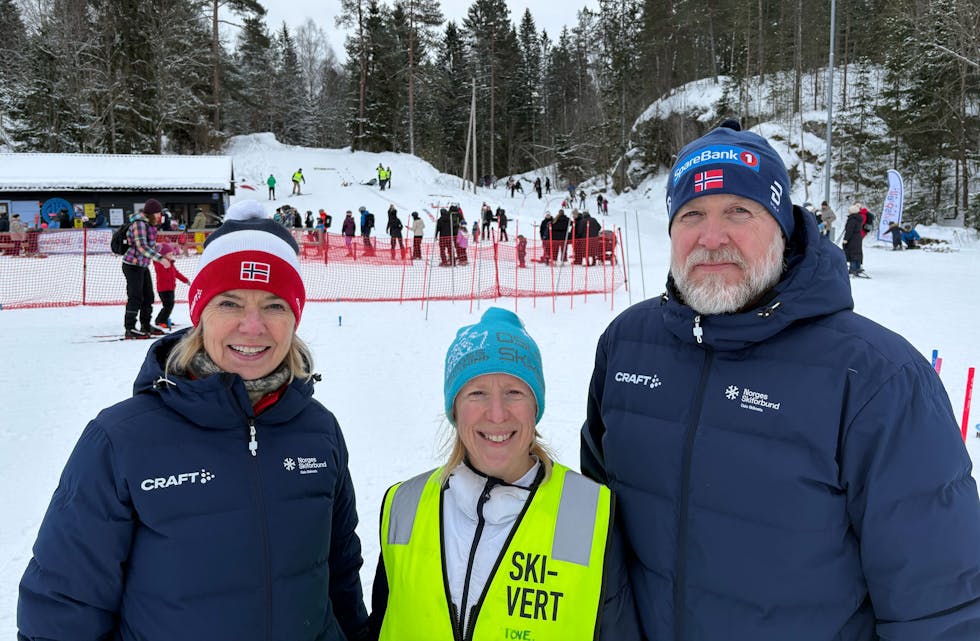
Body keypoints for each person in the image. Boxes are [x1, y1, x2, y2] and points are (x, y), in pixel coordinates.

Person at [580, 120, 980, 641]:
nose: (712, 236)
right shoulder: (626, 344)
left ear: (783, 226)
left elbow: (942, 609)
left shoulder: (881, 380)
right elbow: (594, 522)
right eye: (692, 214)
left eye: (738, 212)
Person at [18, 199, 369, 641]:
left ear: (295, 317)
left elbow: (340, 577)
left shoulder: (319, 430)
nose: (253, 326)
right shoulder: (122, 439)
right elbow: (62, 608)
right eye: (230, 303)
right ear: (200, 313)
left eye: (275, 305)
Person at [366, 308, 638, 640]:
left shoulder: (589, 513)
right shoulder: (404, 506)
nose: (497, 414)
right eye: (476, 393)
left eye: (514, 392)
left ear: (535, 406)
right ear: (455, 408)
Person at [120, 199, 170, 339]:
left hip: (142, 265)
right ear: (152, 213)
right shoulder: (139, 224)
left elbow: (149, 245)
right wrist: (160, 259)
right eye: (159, 213)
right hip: (132, 265)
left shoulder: (150, 225)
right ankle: (130, 328)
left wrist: (163, 249)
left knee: (148, 296)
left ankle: (146, 325)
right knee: (135, 296)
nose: (161, 216)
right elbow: (141, 246)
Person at [151, 242, 189, 330]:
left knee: (169, 305)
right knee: (168, 305)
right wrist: (161, 259)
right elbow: (156, 262)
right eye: (170, 254)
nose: (172, 255)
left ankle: (162, 319)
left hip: (171, 288)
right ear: (163, 255)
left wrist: (185, 280)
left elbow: (177, 274)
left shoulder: (171, 264)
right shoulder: (159, 264)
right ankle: (161, 320)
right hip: (163, 289)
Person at [843, 203, 866, 276]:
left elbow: (849, 230)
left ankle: (853, 268)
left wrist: (846, 239)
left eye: (849, 210)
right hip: (858, 237)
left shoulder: (852, 220)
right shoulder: (858, 218)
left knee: (852, 252)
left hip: (852, 238)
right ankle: (857, 267)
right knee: (857, 252)